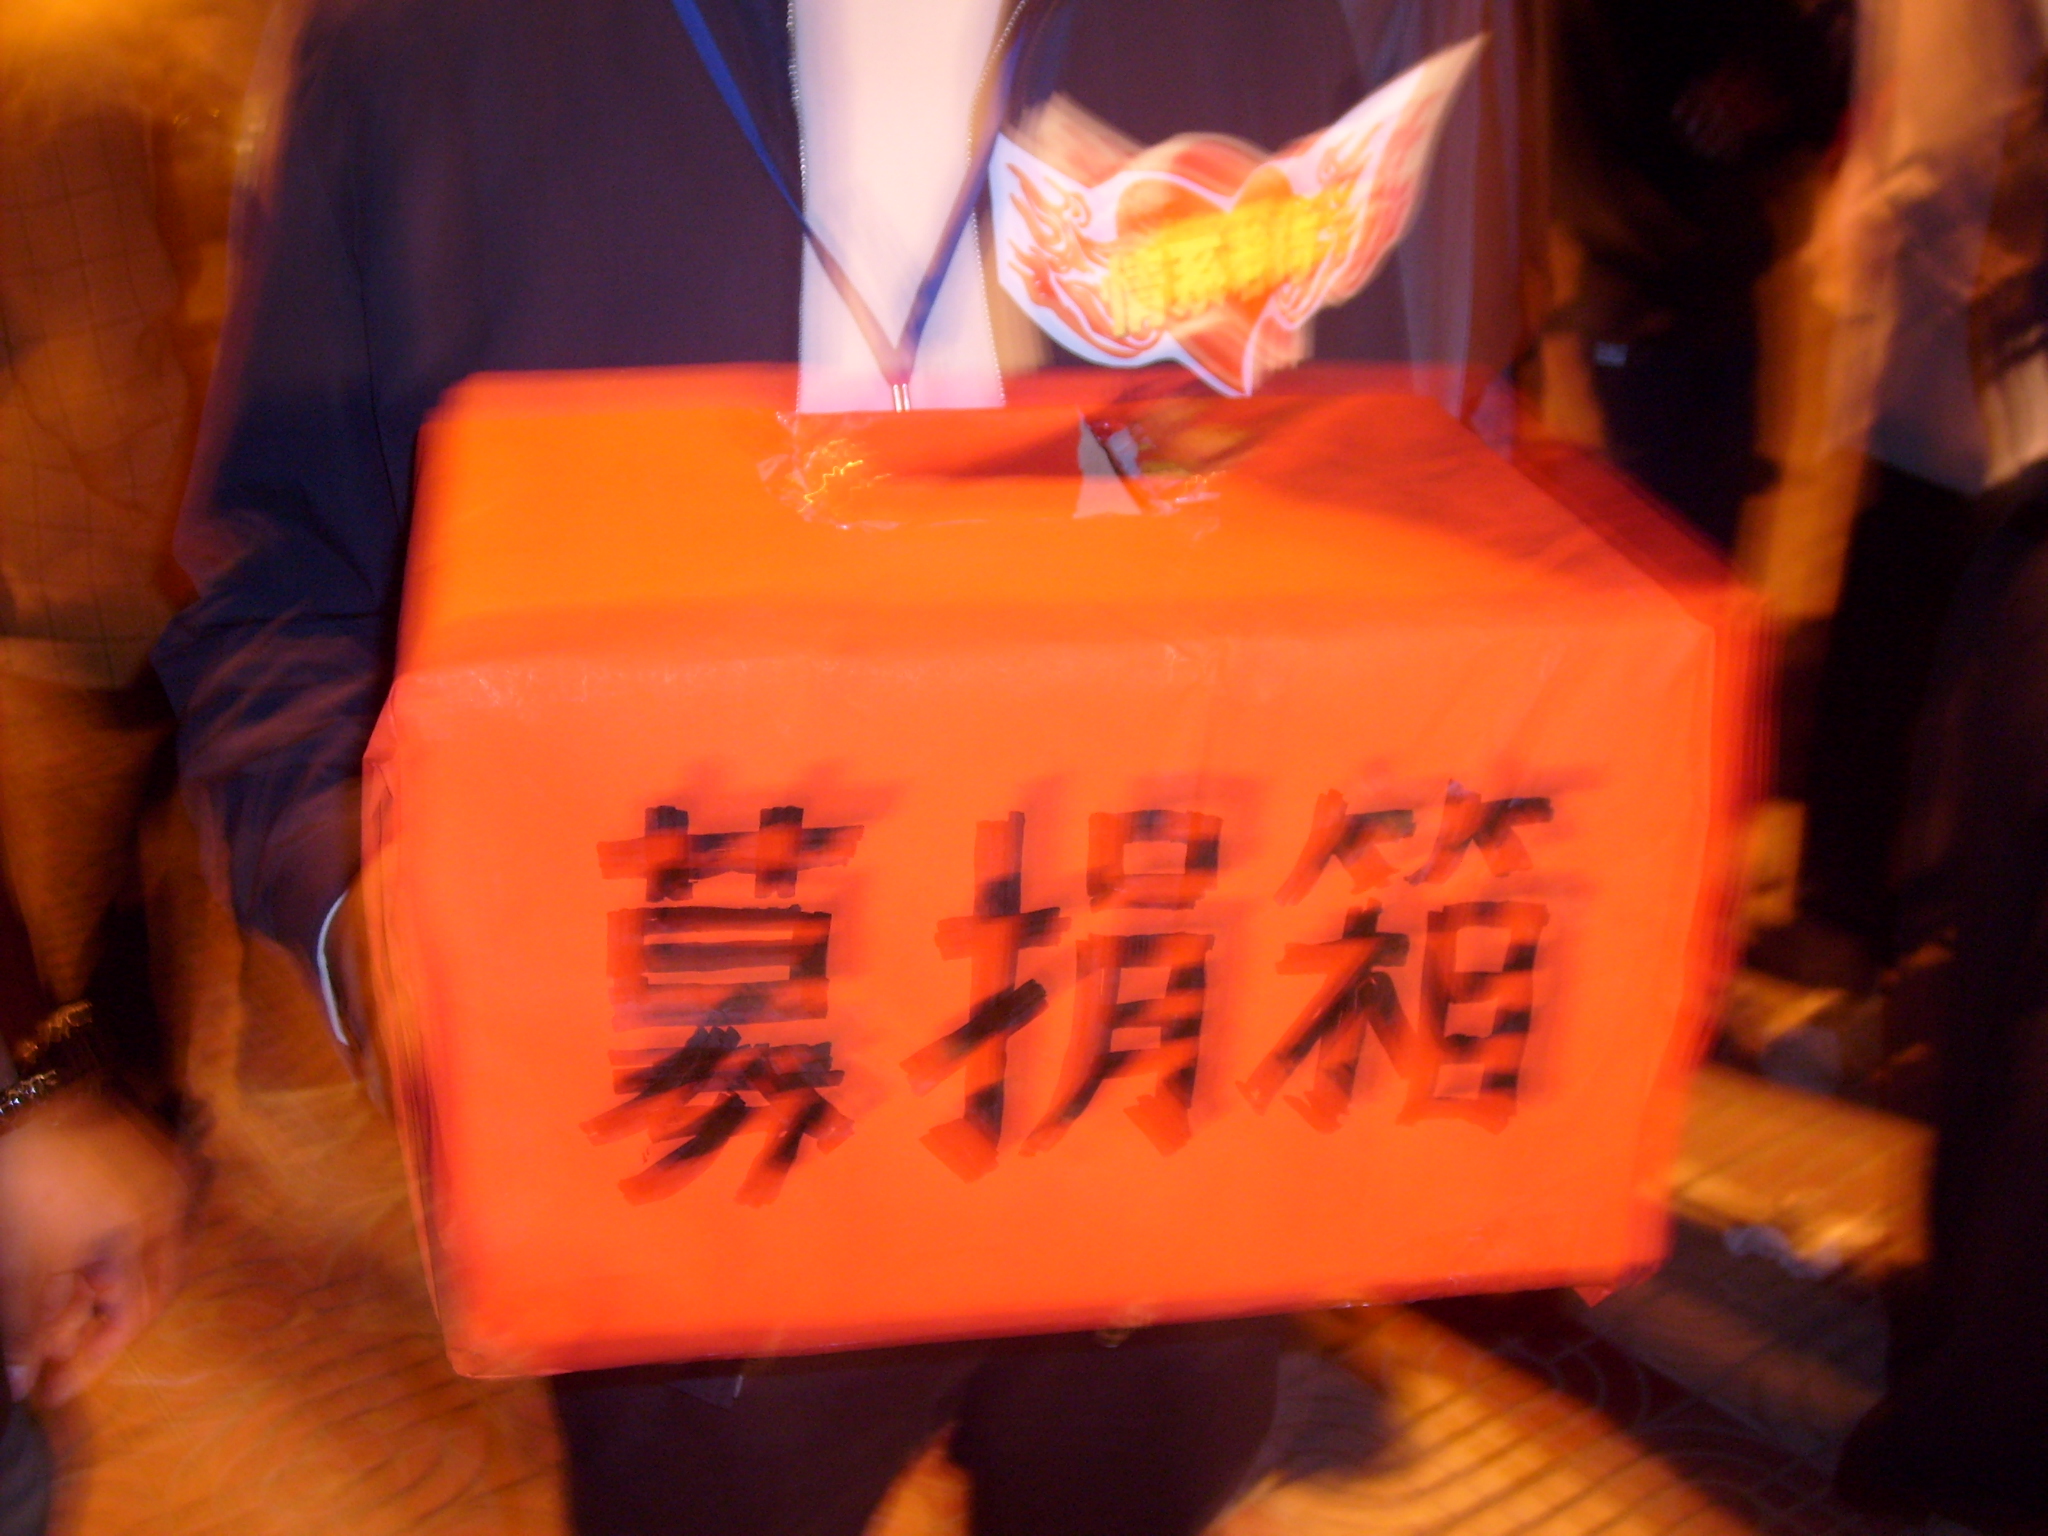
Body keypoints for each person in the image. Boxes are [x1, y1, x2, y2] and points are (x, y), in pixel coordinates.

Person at [153, 2, 1401, 1531]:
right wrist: (359, 900)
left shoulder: (1263, 27)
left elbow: (1382, 505)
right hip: (709, 1082)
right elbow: (288, 578)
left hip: (1154, 1056)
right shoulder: (429, 44)